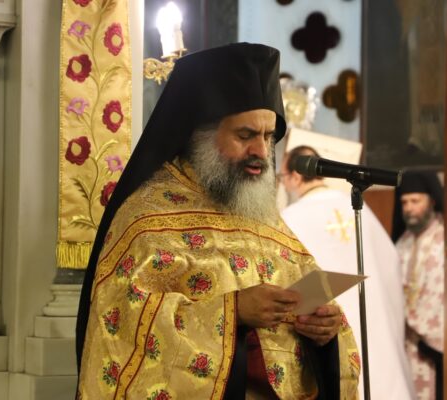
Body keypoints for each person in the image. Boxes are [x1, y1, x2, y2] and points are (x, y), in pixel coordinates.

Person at [75, 43, 360, 399]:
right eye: (245, 135)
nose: (261, 151)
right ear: (202, 135)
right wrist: (233, 311)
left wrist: (325, 329)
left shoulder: (262, 215)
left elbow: (306, 301)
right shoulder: (147, 215)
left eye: (268, 136)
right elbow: (121, 322)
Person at [280, 145, 415, 399]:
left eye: (283, 178)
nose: (284, 185)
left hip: (328, 327)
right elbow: (391, 261)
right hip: (373, 317)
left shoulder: (290, 217)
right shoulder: (356, 206)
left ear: (295, 176)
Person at [391, 170, 445, 400]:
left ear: (431, 201)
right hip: (406, 341)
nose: (409, 208)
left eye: (415, 201)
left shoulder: (446, 239)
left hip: (436, 346)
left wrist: (415, 322)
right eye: (404, 202)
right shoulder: (402, 242)